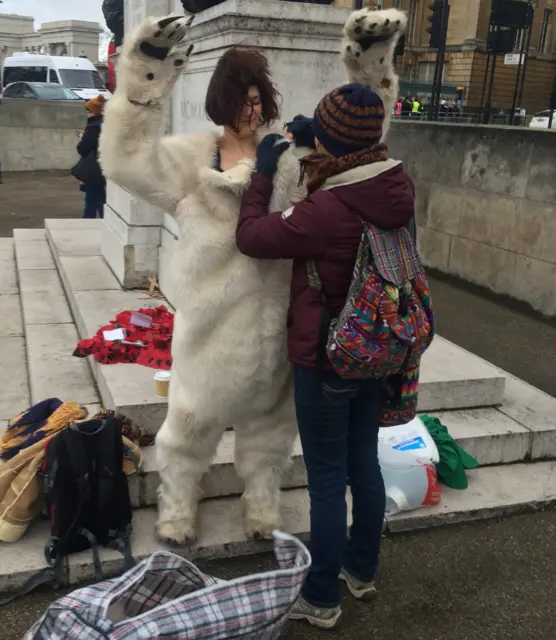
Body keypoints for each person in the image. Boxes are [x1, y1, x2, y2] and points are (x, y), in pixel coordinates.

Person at [99, 8, 406, 547]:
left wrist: (371, 64)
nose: (250, 110)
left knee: (271, 433)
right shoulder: (190, 161)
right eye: (242, 100)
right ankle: (176, 509)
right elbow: (124, 162)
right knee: (190, 426)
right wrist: (146, 74)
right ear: (220, 102)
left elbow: (360, 139)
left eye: (258, 100)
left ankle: (263, 508)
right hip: (213, 331)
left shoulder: (293, 157)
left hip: (283, 326)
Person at [235, 84, 416, 629]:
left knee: (327, 475)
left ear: (332, 140)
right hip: (380, 351)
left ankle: (320, 597)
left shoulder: (328, 209)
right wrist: (321, 146)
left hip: (331, 357)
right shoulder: (394, 184)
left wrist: (261, 175)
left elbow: (252, 236)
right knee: (363, 459)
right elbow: (346, 170)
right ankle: (361, 571)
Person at [76, 95, 106, 219]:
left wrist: (82, 138)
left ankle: (90, 220)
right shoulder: (103, 124)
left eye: (88, 111)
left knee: (94, 198)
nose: (87, 114)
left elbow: (84, 148)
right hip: (101, 165)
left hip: (94, 167)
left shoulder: (94, 126)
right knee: (95, 197)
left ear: (93, 112)